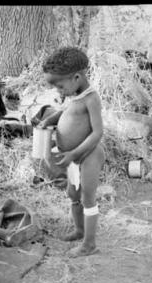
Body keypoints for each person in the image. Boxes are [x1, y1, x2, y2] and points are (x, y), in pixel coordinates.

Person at [39, 47, 106, 258]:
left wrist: (75, 153)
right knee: (73, 194)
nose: (58, 91)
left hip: (88, 156)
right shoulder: (76, 95)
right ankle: (79, 230)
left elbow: (97, 133)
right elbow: (66, 113)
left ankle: (89, 244)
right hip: (74, 159)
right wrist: (49, 120)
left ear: (76, 77)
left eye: (59, 86)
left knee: (87, 196)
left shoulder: (91, 98)